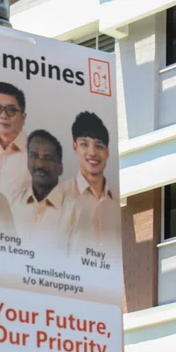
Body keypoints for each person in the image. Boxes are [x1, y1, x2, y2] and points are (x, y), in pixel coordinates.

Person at [9, 130, 84, 253]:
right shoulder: (12, 202)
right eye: (34, 156)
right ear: (27, 161)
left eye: (48, 158)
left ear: (60, 168)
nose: (40, 164)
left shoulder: (75, 212)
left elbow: (77, 262)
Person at [62, 111, 121, 261]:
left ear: (107, 152)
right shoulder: (60, 196)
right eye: (84, 144)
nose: (92, 152)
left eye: (99, 146)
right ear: (75, 147)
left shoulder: (120, 203)